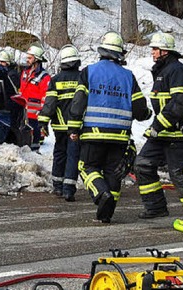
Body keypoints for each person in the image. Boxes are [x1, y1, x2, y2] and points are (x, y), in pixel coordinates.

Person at [68, 31, 152, 223]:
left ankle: (100, 193)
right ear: (120, 54)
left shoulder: (89, 72)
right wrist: (147, 114)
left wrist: (73, 129)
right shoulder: (128, 77)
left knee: (87, 166)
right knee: (113, 171)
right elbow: (140, 110)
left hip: (94, 133)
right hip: (120, 137)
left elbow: (78, 102)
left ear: (102, 51)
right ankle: (106, 213)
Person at [134, 31, 183, 229]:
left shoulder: (176, 69)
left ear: (165, 51)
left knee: (181, 175)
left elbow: (179, 103)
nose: (152, 52)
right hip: (161, 135)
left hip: (176, 135)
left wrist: (158, 125)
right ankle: (156, 206)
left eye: (155, 49)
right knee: (143, 164)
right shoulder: (161, 71)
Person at [39, 44, 82, 201]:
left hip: (59, 126)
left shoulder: (55, 80)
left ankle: (57, 186)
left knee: (59, 154)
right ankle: (68, 189)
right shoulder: (82, 78)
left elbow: (50, 103)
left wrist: (43, 122)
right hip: (76, 127)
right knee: (73, 156)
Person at [19, 45, 51, 151]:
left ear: (37, 59)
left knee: (34, 143)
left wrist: (42, 114)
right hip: (23, 114)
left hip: (35, 116)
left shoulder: (44, 77)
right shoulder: (24, 72)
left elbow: (46, 97)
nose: (27, 60)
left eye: (30, 58)